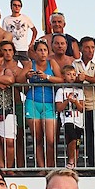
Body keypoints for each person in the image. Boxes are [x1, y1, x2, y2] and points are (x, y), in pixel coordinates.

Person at [22, 40, 63, 169]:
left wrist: (47, 77)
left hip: (49, 103)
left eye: (45, 50)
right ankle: (41, 167)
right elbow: (18, 80)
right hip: (32, 102)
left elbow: (61, 79)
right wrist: (26, 76)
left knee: (50, 139)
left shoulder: (52, 63)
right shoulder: (30, 64)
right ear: (35, 52)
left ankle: (50, 166)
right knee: (38, 138)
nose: (43, 53)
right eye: (40, 50)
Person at [74, 37, 95, 169]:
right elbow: (73, 79)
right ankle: (92, 164)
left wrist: (84, 77)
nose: (90, 50)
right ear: (81, 48)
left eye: (93, 47)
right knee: (88, 135)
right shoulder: (75, 63)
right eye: (87, 47)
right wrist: (82, 79)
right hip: (83, 103)